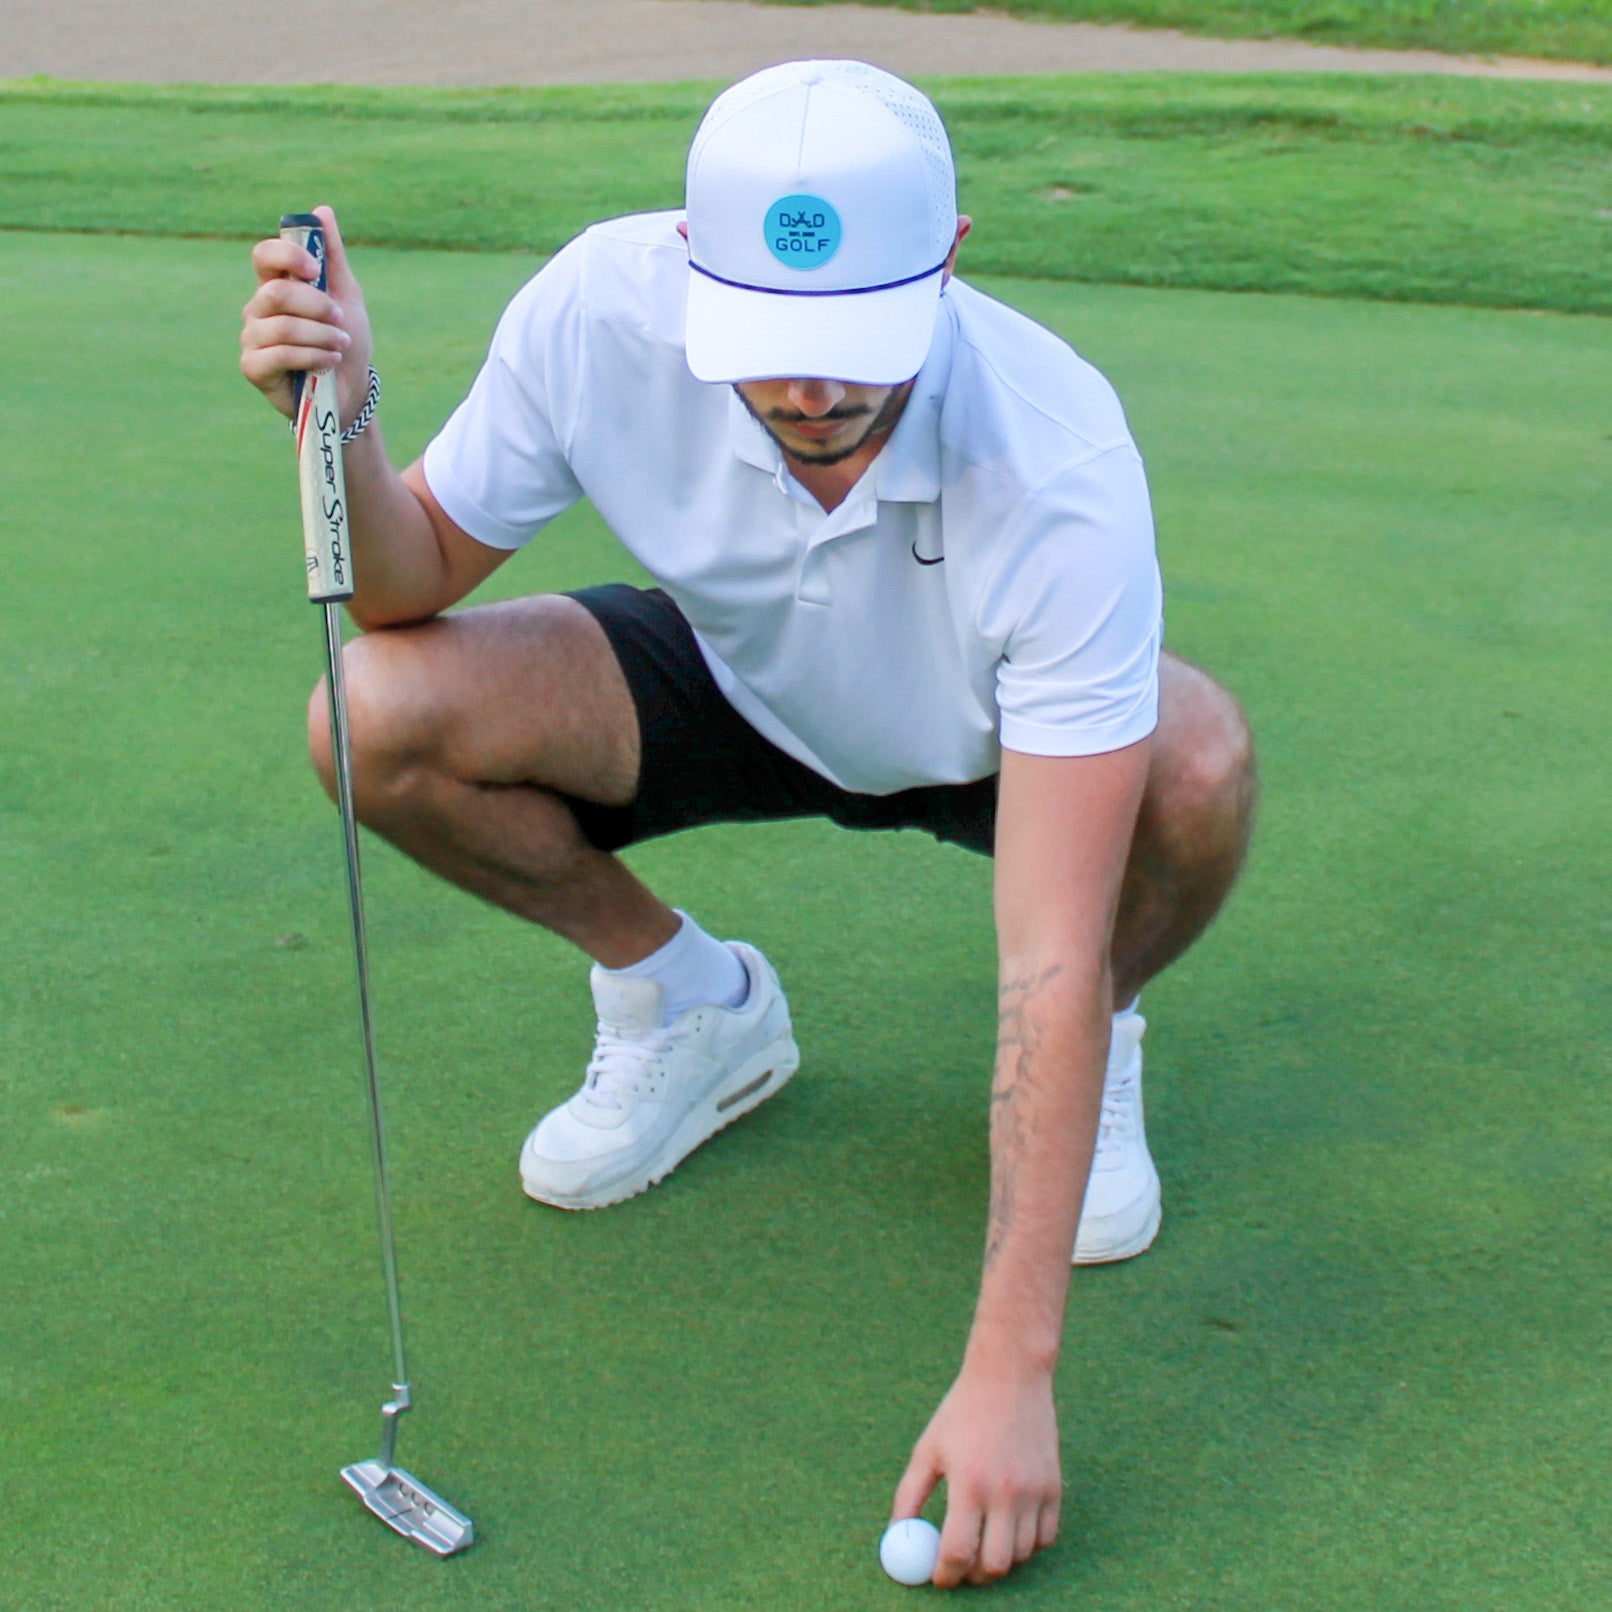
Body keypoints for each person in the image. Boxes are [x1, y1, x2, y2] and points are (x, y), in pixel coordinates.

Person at [241, 59, 1255, 1588]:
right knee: (368, 714)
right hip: (729, 678)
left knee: (1195, 761)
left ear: (950, 259)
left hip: (981, 732)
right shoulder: (601, 312)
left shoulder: (1055, 456)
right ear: (691, 265)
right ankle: (691, 1002)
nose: (810, 394)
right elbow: (405, 582)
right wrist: (346, 422)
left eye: (852, 346)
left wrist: (1010, 1377)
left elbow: (1043, 947)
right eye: (769, 345)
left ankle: (1104, 1056)